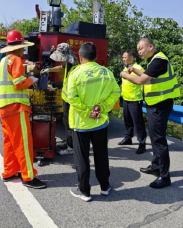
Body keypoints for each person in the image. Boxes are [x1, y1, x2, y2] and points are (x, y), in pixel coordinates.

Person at [120, 38, 180, 189]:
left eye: (141, 48)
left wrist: (125, 75)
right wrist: (134, 70)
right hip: (155, 105)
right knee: (153, 137)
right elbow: (147, 76)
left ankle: (164, 177)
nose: (139, 51)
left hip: (161, 105)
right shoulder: (154, 60)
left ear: (150, 46)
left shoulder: (159, 60)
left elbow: (142, 81)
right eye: (138, 49)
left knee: (159, 140)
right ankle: (156, 166)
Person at [67, 42, 121, 202]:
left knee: (82, 158)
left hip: (81, 123)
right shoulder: (106, 72)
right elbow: (116, 92)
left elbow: (71, 97)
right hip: (100, 122)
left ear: (80, 56)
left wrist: (86, 111)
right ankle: (105, 186)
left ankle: (84, 191)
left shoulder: (75, 74)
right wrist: (102, 108)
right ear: (96, 57)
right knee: (101, 155)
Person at [0, 30, 47, 189]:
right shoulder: (17, 60)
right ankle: (28, 176)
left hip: (5, 108)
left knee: (10, 142)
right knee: (23, 143)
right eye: (23, 47)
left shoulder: (4, 61)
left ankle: (10, 172)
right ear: (19, 47)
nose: (24, 50)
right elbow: (19, 83)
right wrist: (32, 79)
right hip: (17, 108)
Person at [41, 43, 79, 156]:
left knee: (69, 123)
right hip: (67, 97)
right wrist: (49, 70)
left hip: (72, 99)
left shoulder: (74, 64)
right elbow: (61, 68)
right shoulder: (69, 62)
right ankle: (68, 142)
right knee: (65, 120)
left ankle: (71, 147)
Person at [118, 50, 147, 155]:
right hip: (126, 98)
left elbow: (142, 80)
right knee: (127, 120)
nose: (123, 59)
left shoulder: (138, 68)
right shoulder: (126, 68)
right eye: (123, 57)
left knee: (138, 123)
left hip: (135, 99)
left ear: (132, 58)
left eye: (125, 57)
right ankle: (128, 138)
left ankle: (142, 143)